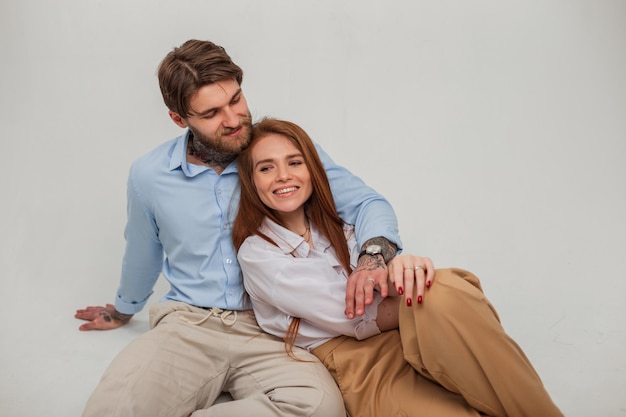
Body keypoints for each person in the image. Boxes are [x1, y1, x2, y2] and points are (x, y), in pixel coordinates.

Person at [74, 40, 409, 417]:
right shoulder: (149, 175)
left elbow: (367, 203)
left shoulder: (282, 155)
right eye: (212, 112)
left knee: (319, 407)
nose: (233, 119)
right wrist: (124, 309)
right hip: (188, 323)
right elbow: (142, 251)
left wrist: (372, 258)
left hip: (274, 328)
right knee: (113, 407)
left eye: (236, 99)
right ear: (179, 119)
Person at [233, 118, 565, 417]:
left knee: (445, 292)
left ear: (313, 171)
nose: (284, 176)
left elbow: (378, 251)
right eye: (266, 168)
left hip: (405, 336)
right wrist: (406, 279)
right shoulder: (258, 254)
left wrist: (404, 267)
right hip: (356, 364)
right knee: (435, 292)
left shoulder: (343, 227)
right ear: (251, 180)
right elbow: (355, 314)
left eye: (294, 162)